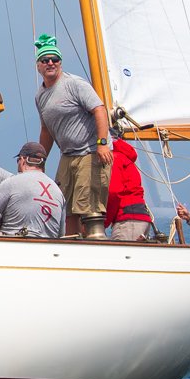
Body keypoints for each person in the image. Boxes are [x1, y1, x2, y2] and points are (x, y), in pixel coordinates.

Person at [32, 34, 110, 238]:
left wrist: (102, 144)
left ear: (60, 62)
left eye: (54, 59)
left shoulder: (75, 84)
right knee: (63, 204)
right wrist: (40, 160)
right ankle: (70, 243)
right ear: (38, 66)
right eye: (45, 60)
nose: (50, 63)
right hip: (67, 156)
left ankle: (95, 243)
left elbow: (100, 110)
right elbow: (46, 130)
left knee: (88, 205)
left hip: (89, 152)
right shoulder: (40, 96)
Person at [102, 136, 157, 242]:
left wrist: (104, 222)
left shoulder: (114, 158)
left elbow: (114, 193)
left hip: (128, 219)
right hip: (139, 217)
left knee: (122, 252)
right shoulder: (125, 158)